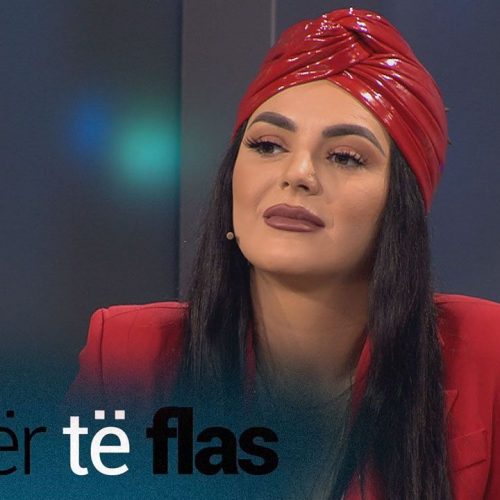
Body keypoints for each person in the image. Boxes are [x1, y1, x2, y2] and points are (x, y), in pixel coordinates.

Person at [69, 8, 500, 500]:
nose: (298, 174)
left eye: (345, 156)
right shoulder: (127, 353)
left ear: (400, 206)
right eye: (269, 145)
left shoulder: (487, 353)